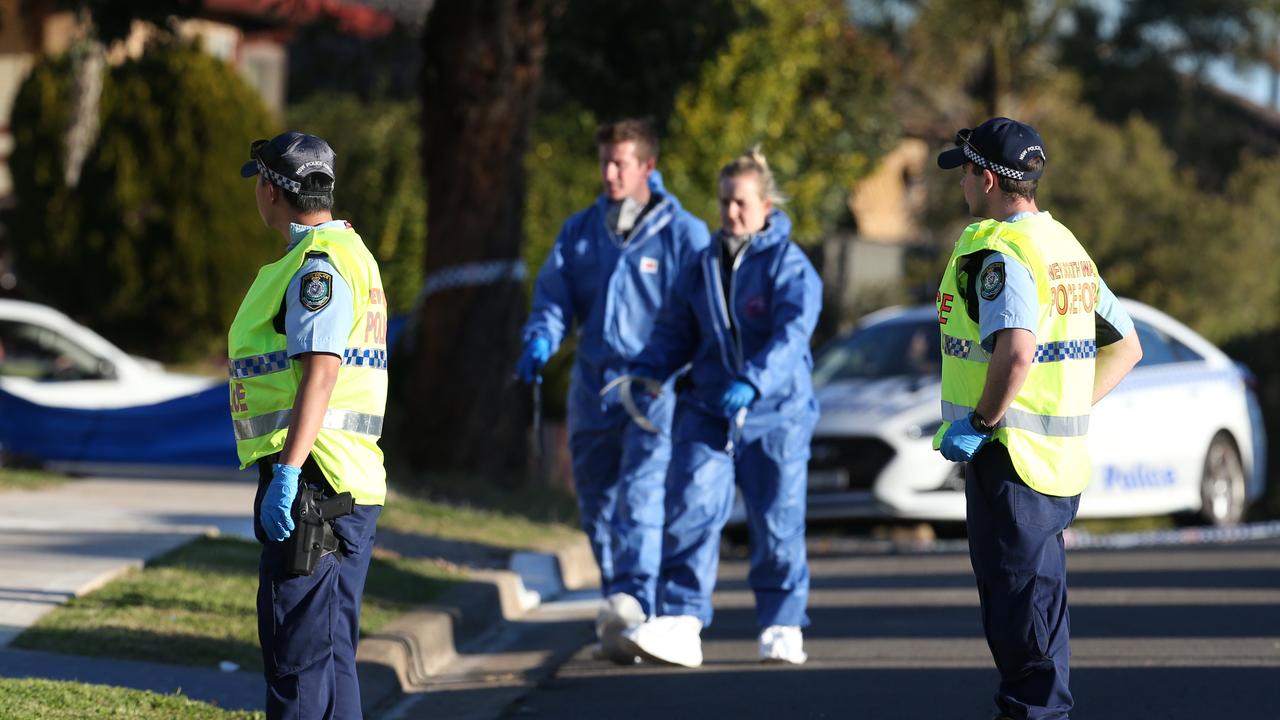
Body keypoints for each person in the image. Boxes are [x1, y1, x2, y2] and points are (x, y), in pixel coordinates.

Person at [933, 117, 1142, 719]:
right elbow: (1126, 346)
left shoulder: (1003, 252)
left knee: (1025, 629)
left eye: (967, 173)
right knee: (1035, 613)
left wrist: (984, 419)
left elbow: (1017, 348)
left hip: (1011, 465)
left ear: (988, 179)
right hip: (1054, 466)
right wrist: (1066, 407)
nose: (963, 187)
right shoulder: (1063, 247)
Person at [619, 146, 822, 668]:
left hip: (776, 414)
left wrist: (753, 383)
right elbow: (674, 332)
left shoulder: (789, 265)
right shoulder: (702, 264)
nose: (730, 213)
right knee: (689, 509)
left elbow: (791, 335)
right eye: (724, 202)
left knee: (777, 521)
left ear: (767, 204)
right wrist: (647, 372)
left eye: (740, 203)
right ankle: (682, 620)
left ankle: (781, 624)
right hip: (708, 409)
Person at [516, 118, 710, 662]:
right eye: (604, 161)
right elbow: (554, 299)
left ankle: (636, 603)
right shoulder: (580, 231)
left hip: (655, 389)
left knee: (642, 496)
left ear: (648, 166)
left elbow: (702, 311)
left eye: (621, 162)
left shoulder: (683, 234)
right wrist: (540, 339)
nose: (609, 173)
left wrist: (691, 373)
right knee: (597, 500)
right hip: (593, 386)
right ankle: (617, 603)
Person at [229, 131, 390, 719]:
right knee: (331, 660)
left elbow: (320, 373)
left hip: (314, 485)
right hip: (346, 484)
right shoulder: (355, 254)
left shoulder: (315, 265)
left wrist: (289, 475)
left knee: (298, 664)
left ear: (271, 191)